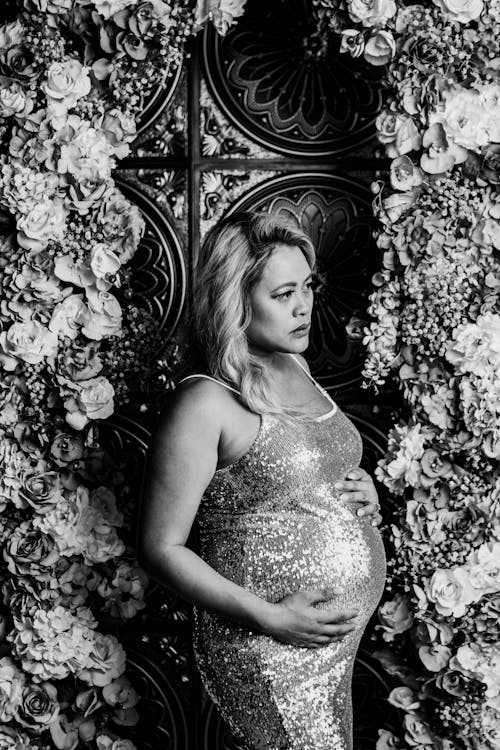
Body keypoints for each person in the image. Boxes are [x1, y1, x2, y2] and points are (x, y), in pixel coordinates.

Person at [137, 210, 387, 750]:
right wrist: (272, 619)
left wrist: (359, 492)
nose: (304, 307)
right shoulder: (204, 402)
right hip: (270, 649)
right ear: (237, 301)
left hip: (325, 648)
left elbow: (298, 472)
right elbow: (160, 547)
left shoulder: (291, 363)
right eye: (283, 294)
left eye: (307, 287)